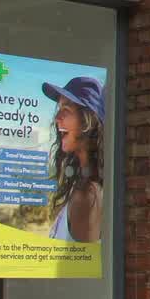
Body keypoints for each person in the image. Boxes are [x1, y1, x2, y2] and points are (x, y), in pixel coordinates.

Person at [43, 76, 106, 242]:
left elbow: (83, 266)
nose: (57, 118)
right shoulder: (84, 187)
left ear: (88, 122)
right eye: (59, 108)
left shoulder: (87, 195)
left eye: (66, 110)